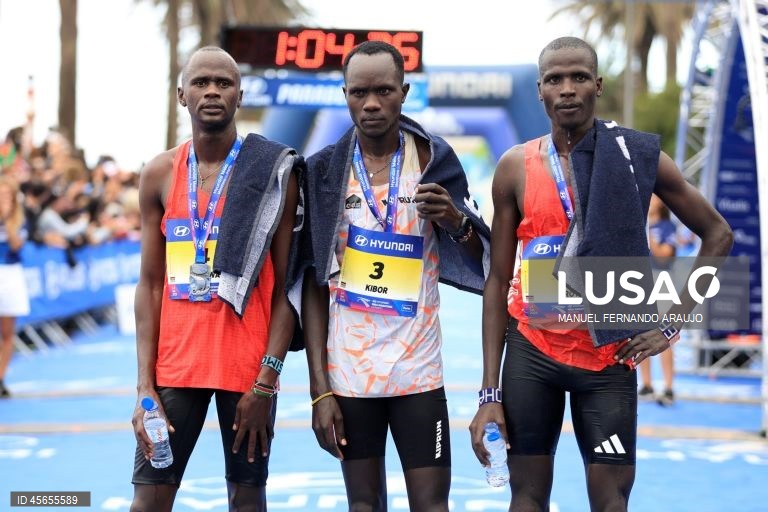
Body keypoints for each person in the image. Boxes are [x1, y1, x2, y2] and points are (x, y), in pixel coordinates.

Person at [469, 37, 733, 512]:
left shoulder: (636, 159)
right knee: (526, 497)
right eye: (555, 79)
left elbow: (718, 235)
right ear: (540, 91)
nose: (567, 89)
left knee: (611, 502)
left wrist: (671, 324)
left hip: (609, 359)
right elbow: (496, 280)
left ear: (598, 85)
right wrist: (490, 389)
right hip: (533, 353)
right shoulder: (515, 168)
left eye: (578, 78)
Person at [301, 41, 490, 511]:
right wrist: (319, 388)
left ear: (404, 92)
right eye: (359, 92)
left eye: (384, 90)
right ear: (344, 94)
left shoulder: (432, 158)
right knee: (364, 505)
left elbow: (480, 254)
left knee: (432, 506)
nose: (371, 103)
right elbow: (311, 284)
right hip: (349, 376)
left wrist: (456, 221)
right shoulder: (323, 171)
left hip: (418, 372)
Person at [130, 46, 302, 512]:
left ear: (240, 96)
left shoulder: (273, 172)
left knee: (247, 501)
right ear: (181, 94)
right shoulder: (159, 175)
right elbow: (148, 285)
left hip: (246, 372)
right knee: (148, 501)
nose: (212, 91)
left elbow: (288, 288)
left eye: (223, 83)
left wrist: (267, 381)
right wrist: (145, 387)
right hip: (175, 369)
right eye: (201, 82)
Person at [639, 194, 678, 405]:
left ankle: (669, 386)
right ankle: (646, 385)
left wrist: (649, 237)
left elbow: (665, 254)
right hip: (639, 282)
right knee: (640, 331)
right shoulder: (637, 221)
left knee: (665, 333)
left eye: (654, 197)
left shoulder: (665, 226)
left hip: (662, 280)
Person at [0, 176, 31, 398]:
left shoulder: (19, 220)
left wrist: (7, 219)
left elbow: (17, 245)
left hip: (11, 275)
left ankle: (1, 377)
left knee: (7, 333)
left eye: (6, 195)